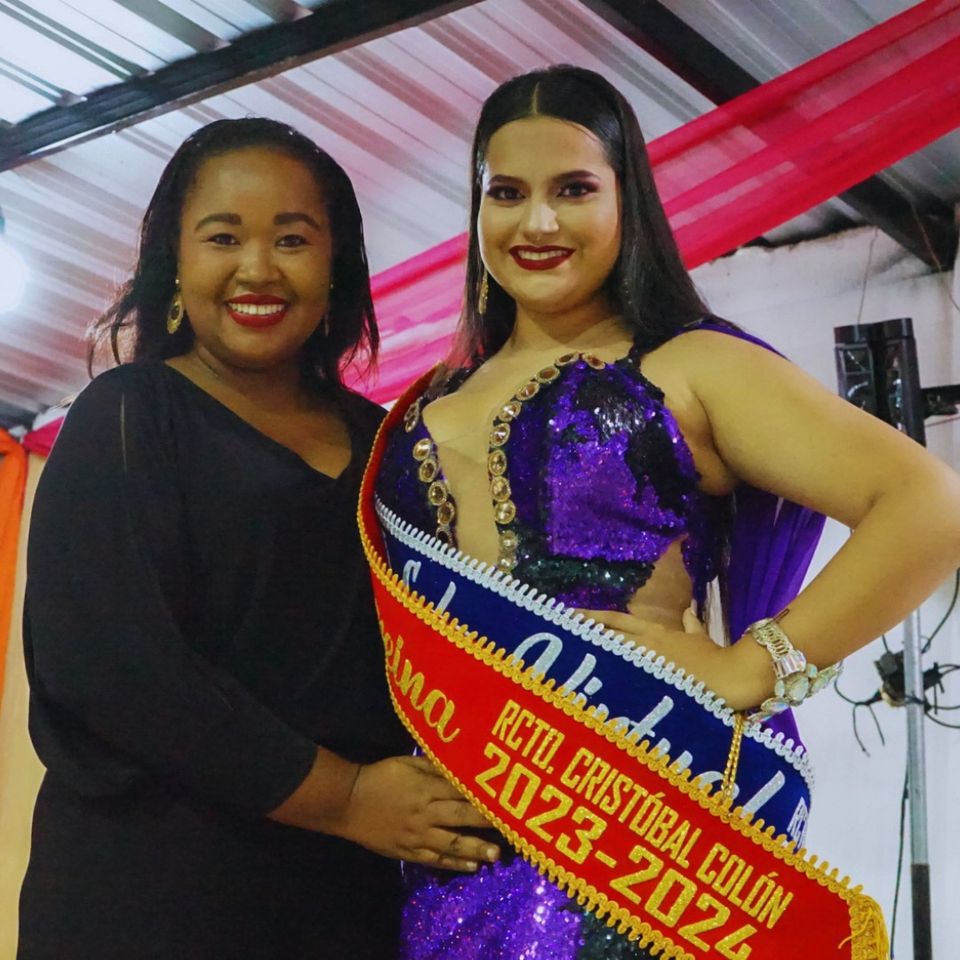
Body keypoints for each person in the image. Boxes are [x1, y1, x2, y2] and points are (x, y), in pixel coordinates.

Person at [368, 66, 960, 959]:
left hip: (644, 824)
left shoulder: (689, 366)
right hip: (453, 855)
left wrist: (756, 667)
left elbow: (928, 504)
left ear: (628, 200)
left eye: (574, 190)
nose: (537, 223)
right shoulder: (421, 404)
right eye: (507, 193)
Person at [18, 118, 496, 960]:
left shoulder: (390, 445)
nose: (258, 269)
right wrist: (348, 797)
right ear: (174, 262)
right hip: (157, 895)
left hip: (347, 897)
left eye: (292, 239)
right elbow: (114, 669)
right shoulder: (128, 414)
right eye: (223, 237)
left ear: (337, 264)